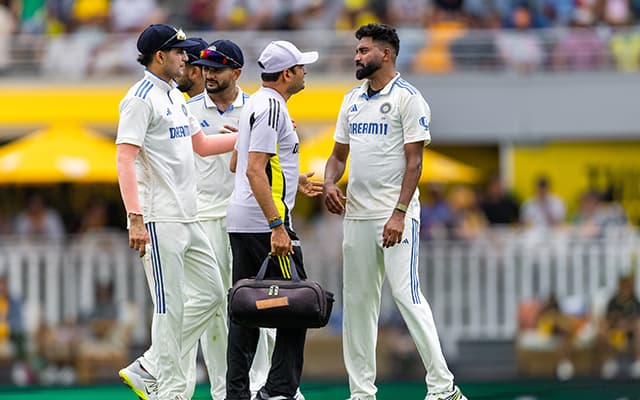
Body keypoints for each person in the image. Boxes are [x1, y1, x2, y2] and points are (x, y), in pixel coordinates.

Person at [323, 24, 467, 400]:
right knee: (358, 305)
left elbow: (415, 164)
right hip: (356, 216)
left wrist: (400, 213)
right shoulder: (351, 99)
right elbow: (338, 157)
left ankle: (442, 387)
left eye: (364, 50)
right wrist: (328, 184)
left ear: (386, 54)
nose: (357, 56)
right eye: (357, 50)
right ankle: (361, 392)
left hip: (395, 216)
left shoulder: (409, 99)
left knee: (407, 295)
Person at [115, 24, 237, 400]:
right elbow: (124, 157)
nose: (187, 58)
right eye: (179, 51)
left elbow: (200, 145)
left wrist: (251, 135)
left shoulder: (174, 96)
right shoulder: (139, 98)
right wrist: (135, 217)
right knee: (169, 307)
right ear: (160, 56)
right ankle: (166, 388)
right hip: (159, 218)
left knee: (215, 293)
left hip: (189, 215)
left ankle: (151, 365)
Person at [225, 40, 319, 400]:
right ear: (287, 74)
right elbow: (252, 170)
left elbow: (239, 163)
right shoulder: (272, 108)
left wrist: (294, 179)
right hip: (264, 225)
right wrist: (276, 225)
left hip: (244, 220)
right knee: (300, 307)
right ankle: (278, 390)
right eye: (300, 67)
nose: (305, 72)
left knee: (245, 311)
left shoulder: (255, 103)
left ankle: (237, 393)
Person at [599, 272, 640, 379]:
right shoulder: (613, 301)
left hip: (631, 334)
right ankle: (609, 362)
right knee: (603, 331)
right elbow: (607, 320)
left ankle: (637, 362)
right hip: (615, 333)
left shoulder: (635, 301)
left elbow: (636, 321)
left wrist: (626, 326)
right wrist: (617, 325)